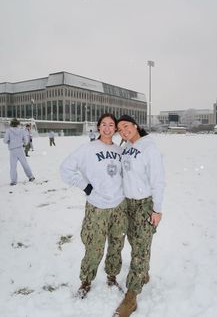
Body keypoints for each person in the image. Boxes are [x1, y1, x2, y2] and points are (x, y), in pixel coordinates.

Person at [60, 113, 127, 298]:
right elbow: (65, 169)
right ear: (99, 127)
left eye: (111, 125)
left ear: (115, 129)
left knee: (116, 243)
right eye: (103, 124)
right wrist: (86, 187)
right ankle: (86, 281)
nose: (107, 128)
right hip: (97, 206)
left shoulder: (121, 151)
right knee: (94, 245)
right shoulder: (87, 149)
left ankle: (112, 276)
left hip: (119, 206)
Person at [114, 115, 165, 317]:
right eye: (120, 129)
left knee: (140, 250)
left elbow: (158, 181)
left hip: (145, 205)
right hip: (128, 204)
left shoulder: (149, 148)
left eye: (126, 126)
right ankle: (143, 272)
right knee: (136, 243)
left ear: (135, 126)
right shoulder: (125, 148)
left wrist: (157, 209)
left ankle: (131, 296)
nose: (123, 131)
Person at [3, 118, 35, 186]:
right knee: (25, 164)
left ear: (11, 124)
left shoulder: (8, 131)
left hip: (12, 151)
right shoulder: (22, 131)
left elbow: (5, 141)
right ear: (18, 124)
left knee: (13, 167)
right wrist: (22, 143)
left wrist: (10, 142)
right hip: (20, 149)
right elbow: (26, 141)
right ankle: (31, 177)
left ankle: (14, 181)